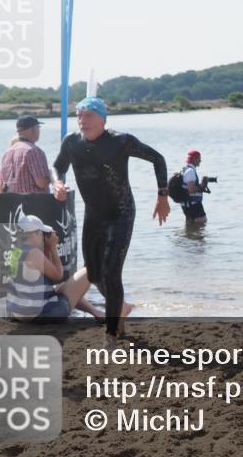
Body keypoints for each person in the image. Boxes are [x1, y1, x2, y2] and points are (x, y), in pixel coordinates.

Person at [52, 97, 169, 346]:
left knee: (112, 274)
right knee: (94, 275)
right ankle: (120, 312)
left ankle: (112, 335)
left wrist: (162, 196)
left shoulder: (120, 141)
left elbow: (158, 158)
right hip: (94, 214)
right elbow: (57, 166)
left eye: (89, 116)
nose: (83, 121)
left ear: (103, 119)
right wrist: (57, 182)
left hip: (121, 213)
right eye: (79, 116)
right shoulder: (71, 142)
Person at [6, 215, 108, 322]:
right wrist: (52, 247)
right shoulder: (34, 253)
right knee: (89, 270)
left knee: (62, 286)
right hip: (40, 314)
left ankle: (96, 312)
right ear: (35, 234)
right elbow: (58, 275)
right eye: (42, 233)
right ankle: (100, 312)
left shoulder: (15, 250)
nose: (43, 237)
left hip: (18, 312)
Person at [0, 116, 50, 193]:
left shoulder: (7, 153)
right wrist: (53, 176)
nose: (39, 131)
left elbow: (1, 187)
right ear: (32, 130)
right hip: (34, 203)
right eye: (38, 127)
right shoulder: (33, 151)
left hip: (12, 203)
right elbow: (41, 183)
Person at [180, 150, 208, 225]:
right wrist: (202, 186)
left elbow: (188, 187)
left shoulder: (185, 170)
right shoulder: (190, 171)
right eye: (199, 158)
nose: (200, 161)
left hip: (187, 204)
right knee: (202, 221)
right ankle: (196, 236)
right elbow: (191, 189)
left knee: (190, 225)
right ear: (195, 159)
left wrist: (200, 185)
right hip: (193, 204)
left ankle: (189, 235)